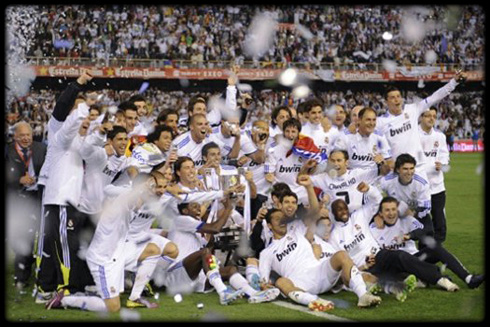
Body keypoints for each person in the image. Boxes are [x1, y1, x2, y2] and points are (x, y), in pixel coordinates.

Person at [45, 173, 178, 312]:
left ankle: (134, 298)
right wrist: (141, 189)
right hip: (103, 258)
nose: (155, 191)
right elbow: (123, 195)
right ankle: (65, 300)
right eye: (151, 187)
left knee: (153, 250)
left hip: (120, 252)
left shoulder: (139, 202)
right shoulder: (125, 199)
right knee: (112, 308)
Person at [328, 182, 459, 292]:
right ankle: (424, 277)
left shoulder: (358, 216)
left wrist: (369, 189)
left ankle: (441, 280)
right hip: (366, 268)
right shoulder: (334, 237)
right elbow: (340, 265)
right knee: (392, 279)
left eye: (344, 208)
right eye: (339, 210)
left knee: (400, 255)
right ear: (333, 213)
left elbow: (377, 201)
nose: (343, 211)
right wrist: (363, 268)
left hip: (380, 256)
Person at [257, 208, 381, 310]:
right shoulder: (266, 253)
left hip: (319, 272)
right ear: (269, 225)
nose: (282, 221)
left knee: (341, 255)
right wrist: (265, 286)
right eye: (277, 219)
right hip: (300, 284)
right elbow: (264, 280)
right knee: (281, 282)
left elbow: (313, 210)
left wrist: (308, 187)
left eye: (283, 218)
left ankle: (363, 296)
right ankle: (314, 301)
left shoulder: (298, 232)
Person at [162, 199, 280, 305]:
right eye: (194, 206)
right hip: (175, 275)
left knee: (230, 269)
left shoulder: (197, 235)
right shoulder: (180, 220)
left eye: (199, 206)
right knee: (204, 252)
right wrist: (228, 209)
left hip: (194, 278)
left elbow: (208, 257)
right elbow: (214, 229)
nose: (198, 209)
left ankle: (253, 293)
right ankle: (223, 292)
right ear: (185, 211)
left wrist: (215, 240)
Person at [370, 196, 484, 289]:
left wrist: (409, 236)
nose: (391, 213)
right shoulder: (373, 229)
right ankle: (433, 276)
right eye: (387, 210)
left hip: (415, 259)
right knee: (398, 257)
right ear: (380, 213)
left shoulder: (406, 220)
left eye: (393, 209)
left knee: (435, 247)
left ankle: (468, 278)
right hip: (396, 266)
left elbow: (425, 230)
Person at [376, 71, 467, 179]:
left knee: (423, 195)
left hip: (418, 168)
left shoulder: (412, 110)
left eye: (398, 96)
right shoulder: (380, 122)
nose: (397, 100)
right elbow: (374, 143)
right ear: (386, 101)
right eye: (392, 97)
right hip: (397, 171)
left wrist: (454, 82)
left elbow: (435, 97)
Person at [6, 122, 47, 293]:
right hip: (17, 200)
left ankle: (28, 277)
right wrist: (18, 180)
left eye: (28, 135)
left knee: (36, 238)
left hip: (37, 198)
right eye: (21, 135)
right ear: (15, 136)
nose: (25, 138)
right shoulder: (7, 150)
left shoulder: (41, 149)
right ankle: (23, 272)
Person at [300, 149, 387, 212]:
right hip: (338, 220)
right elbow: (300, 180)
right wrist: (306, 167)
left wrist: (382, 162)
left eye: (339, 160)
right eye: (332, 161)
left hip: (361, 216)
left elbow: (384, 171)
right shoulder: (323, 178)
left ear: (346, 162)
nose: (335, 164)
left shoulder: (357, 174)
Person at [378, 154, 434, 242]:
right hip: (393, 213)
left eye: (412, 168)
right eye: (405, 169)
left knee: (428, 231)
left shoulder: (422, 184)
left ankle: (418, 244)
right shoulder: (387, 180)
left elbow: (426, 207)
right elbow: (375, 194)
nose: (409, 172)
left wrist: (413, 213)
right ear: (397, 170)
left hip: (416, 213)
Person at [419, 108, 450, 243]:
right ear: (421, 117)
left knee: (440, 225)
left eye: (434, 116)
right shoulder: (413, 136)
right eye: (428, 116)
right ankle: (422, 253)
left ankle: (435, 252)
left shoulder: (440, 136)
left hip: (437, 186)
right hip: (420, 188)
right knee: (423, 225)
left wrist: (442, 163)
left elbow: (444, 155)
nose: (431, 119)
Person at [334, 107, 393, 171]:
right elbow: (335, 163)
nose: (371, 123)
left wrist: (383, 163)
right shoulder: (346, 137)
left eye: (374, 120)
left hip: (374, 178)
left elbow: (390, 162)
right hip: (351, 178)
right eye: (368, 120)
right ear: (359, 120)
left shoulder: (380, 137)